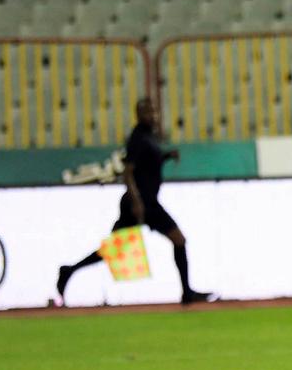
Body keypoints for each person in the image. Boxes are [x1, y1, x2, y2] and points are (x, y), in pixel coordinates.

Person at [56, 97, 213, 305]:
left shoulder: (148, 137)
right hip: (141, 202)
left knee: (114, 250)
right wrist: (137, 202)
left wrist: (166, 156)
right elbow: (128, 172)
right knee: (179, 240)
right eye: (148, 111)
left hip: (144, 201)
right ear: (138, 114)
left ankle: (69, 270)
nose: (153, 115)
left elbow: (146, 165)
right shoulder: (138, 138)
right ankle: (187, 293)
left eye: (154, 111)